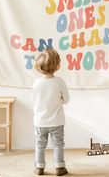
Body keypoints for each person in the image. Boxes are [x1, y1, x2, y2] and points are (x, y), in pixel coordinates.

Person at [31, 48, 69, 176]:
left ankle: (39, 167)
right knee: (58, 145)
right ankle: (59, 167)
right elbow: (66, 100)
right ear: (57, 66)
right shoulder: (59, 82)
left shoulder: (36, 83)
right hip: (57, 121)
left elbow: (34, 100)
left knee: (40, 145)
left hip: (40, 122)